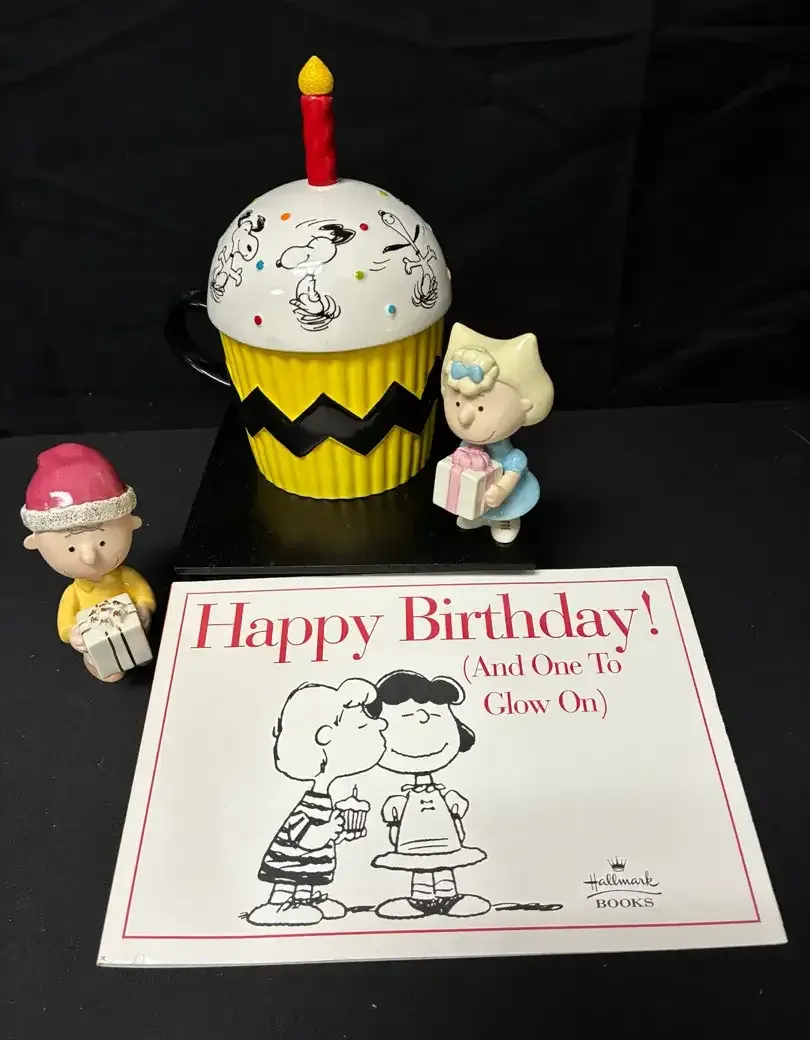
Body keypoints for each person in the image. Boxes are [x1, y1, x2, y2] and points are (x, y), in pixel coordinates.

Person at [244, 678, 387, 927]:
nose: (382, 724)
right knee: (287, 883)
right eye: (362, 725)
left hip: (310, 865)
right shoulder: (309, 803)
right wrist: (329, 830)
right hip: (288, 865)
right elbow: (302, 836)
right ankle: (278, 905)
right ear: (325, 736)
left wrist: (340, 833)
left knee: (306, 881)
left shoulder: (323, 799)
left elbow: (320, 837)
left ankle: (307, 900)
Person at [21, 443, 154, 682]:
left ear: (131, 524)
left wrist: (144, 606)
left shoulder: (125, 577)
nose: (89, 557)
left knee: (140, 649)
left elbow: (140, 590)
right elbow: (65, 622)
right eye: (71, 548)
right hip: (97, 639)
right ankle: (104, 665)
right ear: (35, 544)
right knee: (105, 660)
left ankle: (138, 655)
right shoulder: (74, 593)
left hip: (130, 628)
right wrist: (73, 634)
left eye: (102, 542)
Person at [366, 670, 490, 919]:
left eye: (434, 718)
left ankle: (448, 897)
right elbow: (392, 812)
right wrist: (394, 809)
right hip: (412, 838)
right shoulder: (404, 796)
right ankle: (421, 900)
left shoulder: (442, 793)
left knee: (444, 862)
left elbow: (457, 806)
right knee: (419, 864)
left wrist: (455, 803)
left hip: (444, 836)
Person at [440, 323, 554, 544]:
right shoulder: (466, 446)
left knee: (504, 504)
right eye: (457, 402)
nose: (464, 417)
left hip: (506, 499)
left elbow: (511, 475)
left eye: (481, 408)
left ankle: (505, 520)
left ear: (525, 406)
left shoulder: (512, 457)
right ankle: (479, 516)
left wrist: (501, 489)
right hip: (475, 498)